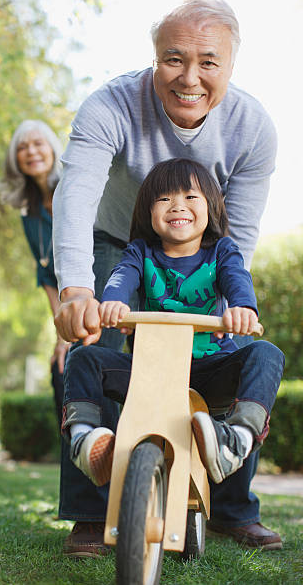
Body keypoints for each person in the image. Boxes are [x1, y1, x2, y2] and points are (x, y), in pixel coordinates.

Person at [53, 0, 281, 555]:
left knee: (231, 357)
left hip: (208, 252)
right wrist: (77, 286)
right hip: (117, 241)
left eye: (209, 62)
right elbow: (77, 191)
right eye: (173, 59)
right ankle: (91, 509)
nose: (190, 77)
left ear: (230, 64)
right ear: (154, 57)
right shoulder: (111, 104)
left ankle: (230, 506)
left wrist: (232, 305)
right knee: (94, 343)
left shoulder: (252, 127)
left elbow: (238, 237)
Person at [61, 159, 284, 517]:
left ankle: (237, 440)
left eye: (190, 196)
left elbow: (237, 279)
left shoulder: (222, 251)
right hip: (151, 372)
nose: (177, 205)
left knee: (266, 354)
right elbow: (121, 277)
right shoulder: (140, 253)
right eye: (163, 199)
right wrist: (113, 302)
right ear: (148, 211)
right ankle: (86, 440)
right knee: (84, 357)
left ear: (210, 206)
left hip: (210, 371)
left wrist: (243, 308)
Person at [2, 119, 71, 426]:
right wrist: (62, 335)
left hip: (103, 297)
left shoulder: (72, 188)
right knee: (60, 369)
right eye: (22, 147)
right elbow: (47, 279)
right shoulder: (28, 212)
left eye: (38, 143)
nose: (31, 152)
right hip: (68, 308)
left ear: (53, 148)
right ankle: (80, 460)